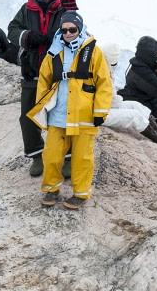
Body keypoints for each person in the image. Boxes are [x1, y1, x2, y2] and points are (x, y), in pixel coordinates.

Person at [28, 12, 113, 210]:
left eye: (72, 29)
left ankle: (81, 193)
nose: (68, 33)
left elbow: (104, 84)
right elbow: (44, 81)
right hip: (58, 114)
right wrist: (43, 108)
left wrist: (100, 112)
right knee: (51, 155)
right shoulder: (54, 52)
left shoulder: (94, 52)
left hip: (84, 116)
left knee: (82, 157)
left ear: (80, 29)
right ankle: (51, 188)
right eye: (64, 30)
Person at [7, 0, 69, 175]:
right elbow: (12, 30)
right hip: (32, 71)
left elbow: (79, 34)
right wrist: (27, 36)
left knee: (61, 115)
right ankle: (36, 156)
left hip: (57, 75)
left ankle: (67, 158)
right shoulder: (28, 8)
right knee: (27, 116)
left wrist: (60, 39)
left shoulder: (65, 10)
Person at [101, 43, 157, 146]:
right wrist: (119, 98)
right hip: (98, 114)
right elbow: (113, 101)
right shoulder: (101, 74)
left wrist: (118, 98)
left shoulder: (102, 70)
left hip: (103, 107)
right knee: (134, 116)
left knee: (136, 105)